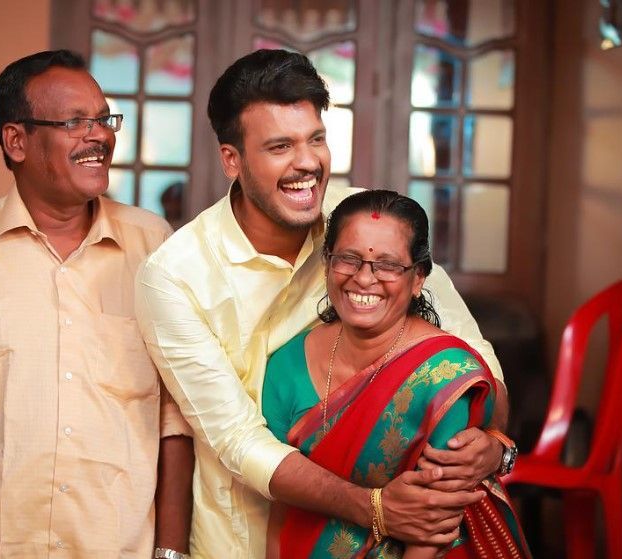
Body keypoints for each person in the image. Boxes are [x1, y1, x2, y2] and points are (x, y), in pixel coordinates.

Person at [135, 49, 511, 558]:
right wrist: (376, 507)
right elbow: (238, 440)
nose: (308, 162)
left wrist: (493, 444)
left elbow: (474, 363)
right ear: (232, 160)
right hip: (241, 541)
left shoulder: (368, 225)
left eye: (316, 138)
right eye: (280, 146)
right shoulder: (173, 277)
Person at [0, 49, 192, 558]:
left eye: (103, 118)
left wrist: (172, 552)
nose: (100, 136)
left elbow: (173, 418)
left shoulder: (154, 246)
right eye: (75, 121)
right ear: (17, 140)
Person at [262, 190, 529, 558]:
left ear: (418, 278)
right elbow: (280, 502)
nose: (364, 278)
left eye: (387, 265)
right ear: (327, 264)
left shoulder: (444, 374)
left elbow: (432, 526)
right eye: (348, 259)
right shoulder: (285, 366)